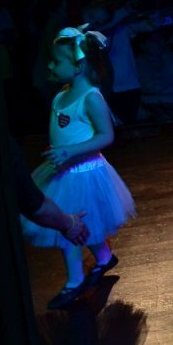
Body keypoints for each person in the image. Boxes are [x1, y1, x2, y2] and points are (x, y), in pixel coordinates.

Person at [22, 27, 137, 309]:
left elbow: (106, 136)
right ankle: (104, 257)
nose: (50, 66)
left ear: (78, 65)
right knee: (79, 224)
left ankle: (74, 281)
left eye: (56, 61)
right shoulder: (60, 96)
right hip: (63, 173)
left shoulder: (91, 98)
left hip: (86, 174)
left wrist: (70, 151)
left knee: (71, 227)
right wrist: (59, 150)